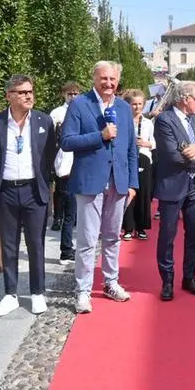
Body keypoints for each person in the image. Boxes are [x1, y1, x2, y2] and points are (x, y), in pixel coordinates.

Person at [61, 61, 139, 313]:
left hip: (118, 182)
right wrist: (100, 136)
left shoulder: (124, 108)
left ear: (118, 81)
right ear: (94, 78)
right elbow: (67, 141)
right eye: (103, 78)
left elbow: (130, 149)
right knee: (86, 239)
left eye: (112, 79)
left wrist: (133, 184)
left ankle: (110, 282)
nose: (108, 83)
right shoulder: (79, 105)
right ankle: (83, 290)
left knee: (112, 237)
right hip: (89, 182)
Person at [0, 74, 56, 317]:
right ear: (9, 96)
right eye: (22, 92)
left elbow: (50, 156)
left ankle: (37, 293)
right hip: (5, 191)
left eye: (30, 91)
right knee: (9, 245)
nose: (28, 96)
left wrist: (48, 185)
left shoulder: (44, 121)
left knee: (36, 243)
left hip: (34, 191)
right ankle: (10, 294)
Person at [153, 80, 195, 301]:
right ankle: (167, 280)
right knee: (168, 235)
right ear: (184, 99)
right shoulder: (164, 120)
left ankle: (189, 277)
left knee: (193, 234)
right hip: (172, 184)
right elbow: (172, 154)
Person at [49, 81, 82, 261]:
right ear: (64, 94)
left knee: (75, 212)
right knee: (68, 211)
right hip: (64, 167)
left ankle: (69, 247)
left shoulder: (82, 111)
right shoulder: (57, 113)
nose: (73, 97)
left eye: (76, 94)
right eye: (70, 94)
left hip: (79, 167)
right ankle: (66, 249)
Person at [121, 89, 155, 241]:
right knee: (129, 192)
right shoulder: (123, 121)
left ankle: (141, 227)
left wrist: (144, 143)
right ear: (128, 105)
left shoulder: (148, 123)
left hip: (144, 157)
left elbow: (154, 143)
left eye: (140, 104)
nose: (137, 107)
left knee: (144, 193)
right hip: (128, 159)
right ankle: (128, 227)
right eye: (134, 104)